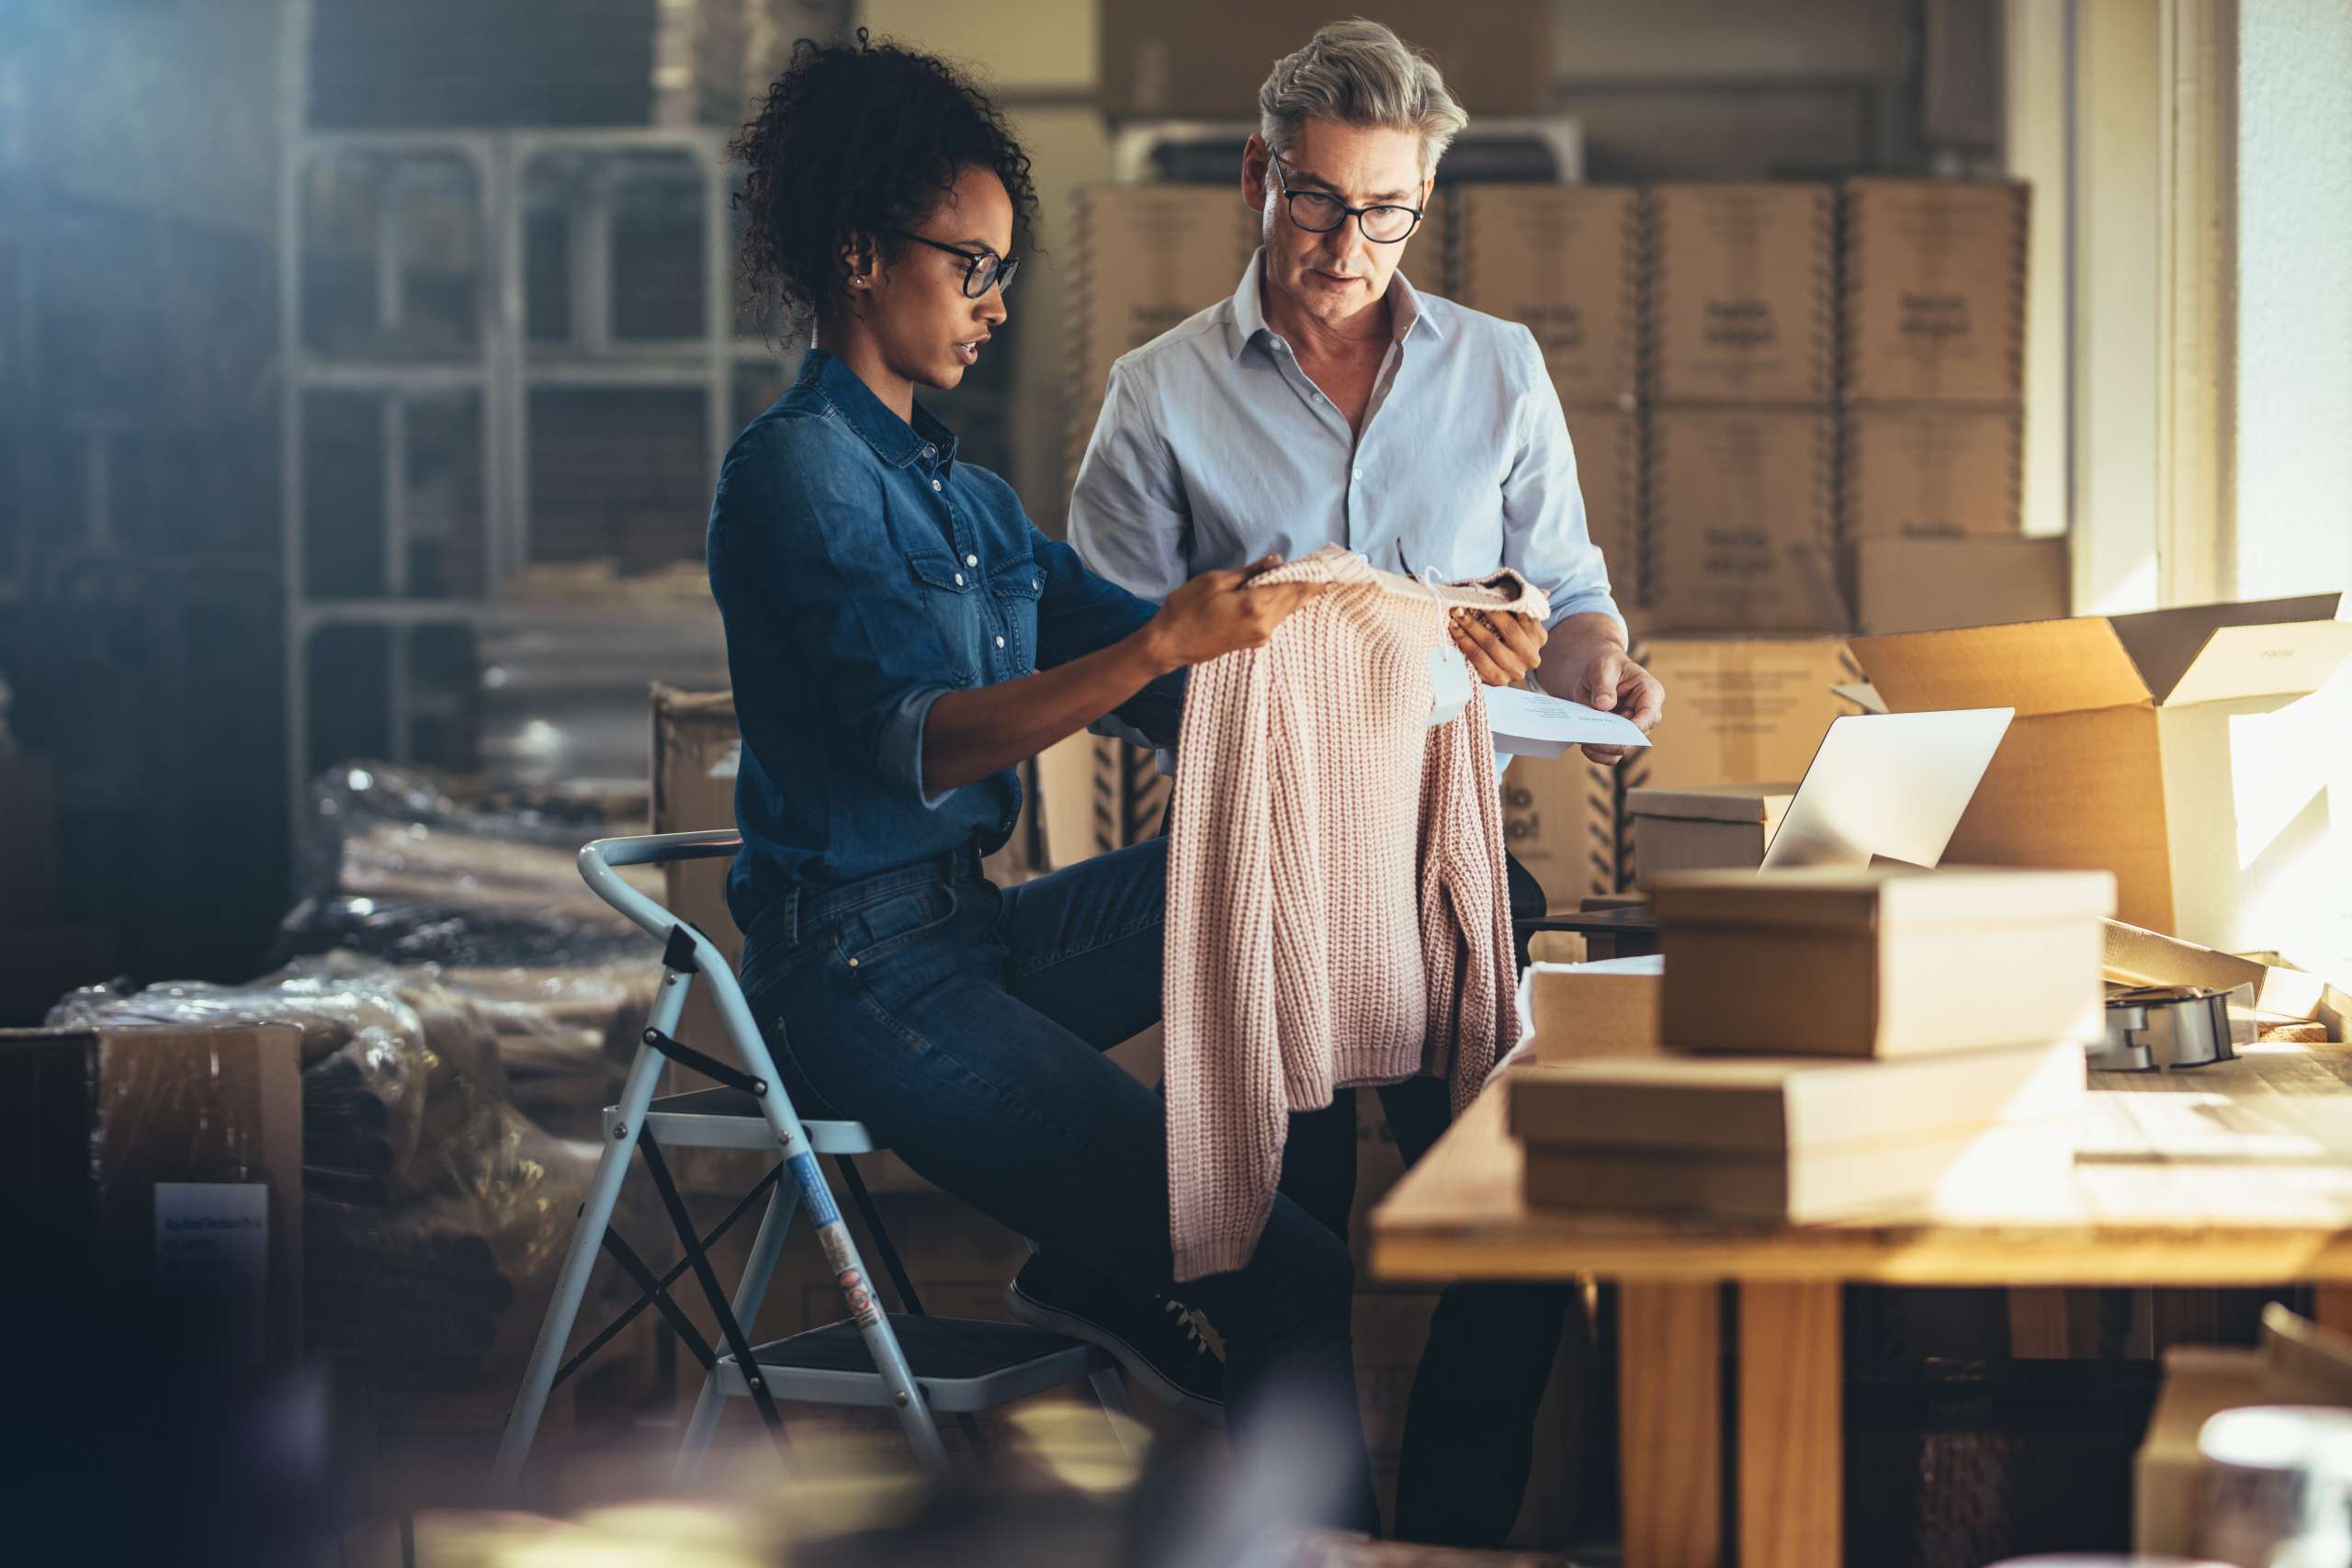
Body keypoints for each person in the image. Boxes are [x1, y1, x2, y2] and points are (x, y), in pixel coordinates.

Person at [711, 33, 1381, 1531]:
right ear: (863, 257)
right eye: (972, 267)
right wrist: (1156, 642)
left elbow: (1166, 692)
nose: (994, 308)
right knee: (1291, 1273)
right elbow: (933, 735)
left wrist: (1350, 663)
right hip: (857, 979)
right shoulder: (798, 476)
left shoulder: (967, 496)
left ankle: (1096, 1260)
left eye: (1004, 273)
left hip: (966, 934)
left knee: (1317, 868)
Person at [1068, 18, 1667, 1547]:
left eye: (1388, 211)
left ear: (1424, 204)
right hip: (1264, 873)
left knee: (1526, 1208)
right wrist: (1272, 662)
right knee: (1286, 1254)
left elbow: (1576, 598)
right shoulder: (1159, 393)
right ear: (1260, 179)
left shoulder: (1499, 369)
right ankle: (1318, 1543)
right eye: (1322, 203)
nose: (1350, 245)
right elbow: (1107, 655)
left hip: (1445, 855)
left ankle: (1450, 1535)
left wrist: (1592, 666)